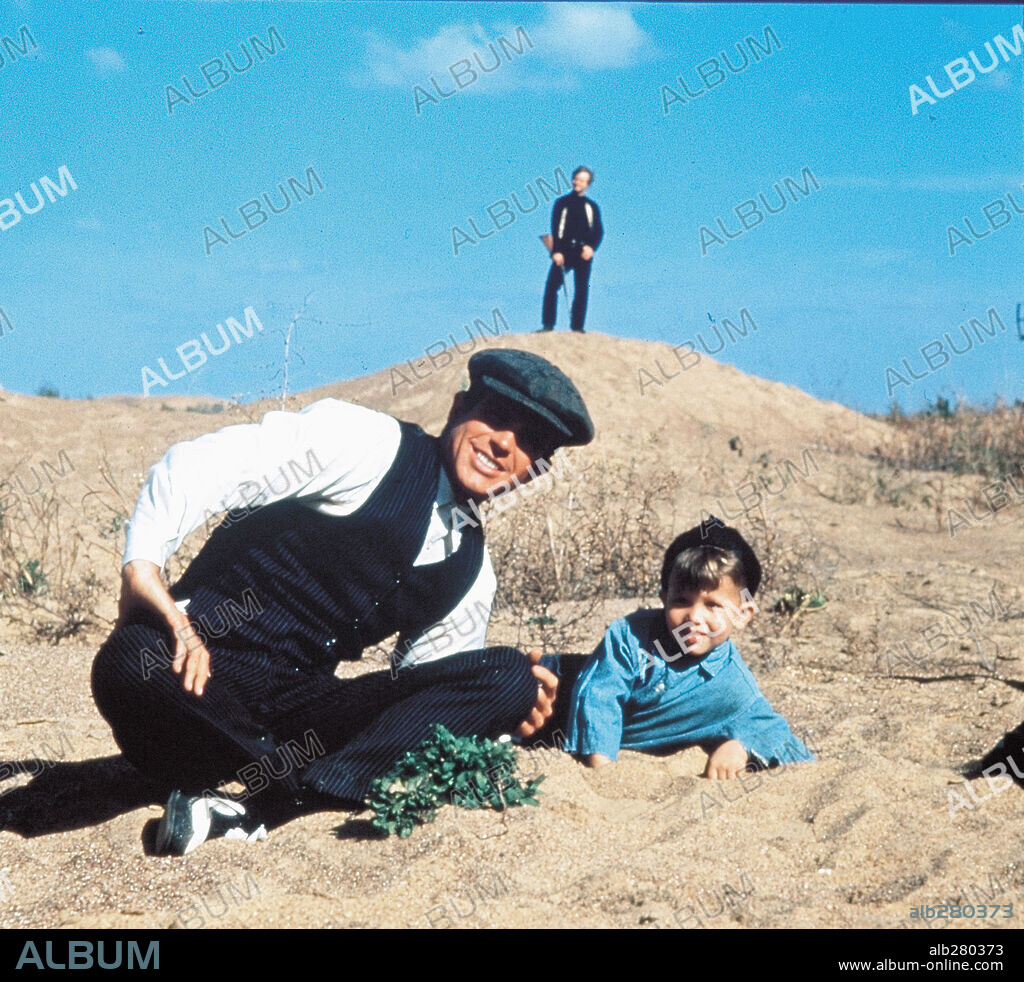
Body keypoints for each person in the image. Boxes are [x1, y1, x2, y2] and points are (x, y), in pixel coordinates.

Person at [91, 348, 594, 854]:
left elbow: (419, 702)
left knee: (509, 674)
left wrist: (500, 716)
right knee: (132, 659)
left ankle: (272, 803)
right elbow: (198, 465)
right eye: (495, 418)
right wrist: (142, 569)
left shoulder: (470, 572)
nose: (504, 443)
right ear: (458, 407)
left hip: (298, 715)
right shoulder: (366, 444)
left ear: (535, 470)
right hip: (195, 687)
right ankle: (286, 794)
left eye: (529, 442)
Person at [555, 520, 814, 776]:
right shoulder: (630, 636)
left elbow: (781, 739)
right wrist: (603, 771)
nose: (694, 617)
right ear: (663, 598)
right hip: (556, 693)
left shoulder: (734, 687)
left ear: (742, 614)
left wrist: (742, 747)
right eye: (681, 601)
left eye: (713, 605)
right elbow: (600, 698)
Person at [541, 166, 603, 333]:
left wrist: (591, 247)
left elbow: (598, 231)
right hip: (564, 251)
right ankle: (548, 325)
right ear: (572, 180)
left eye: (582, 180)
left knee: (582, 290)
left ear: (588, 184)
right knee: (551, 286)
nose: (578, 183)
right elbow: (556, 228)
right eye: (576, 179)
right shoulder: (562, 203)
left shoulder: (592, 206)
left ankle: (577, 327)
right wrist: (556, 252)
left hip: (583, 253)